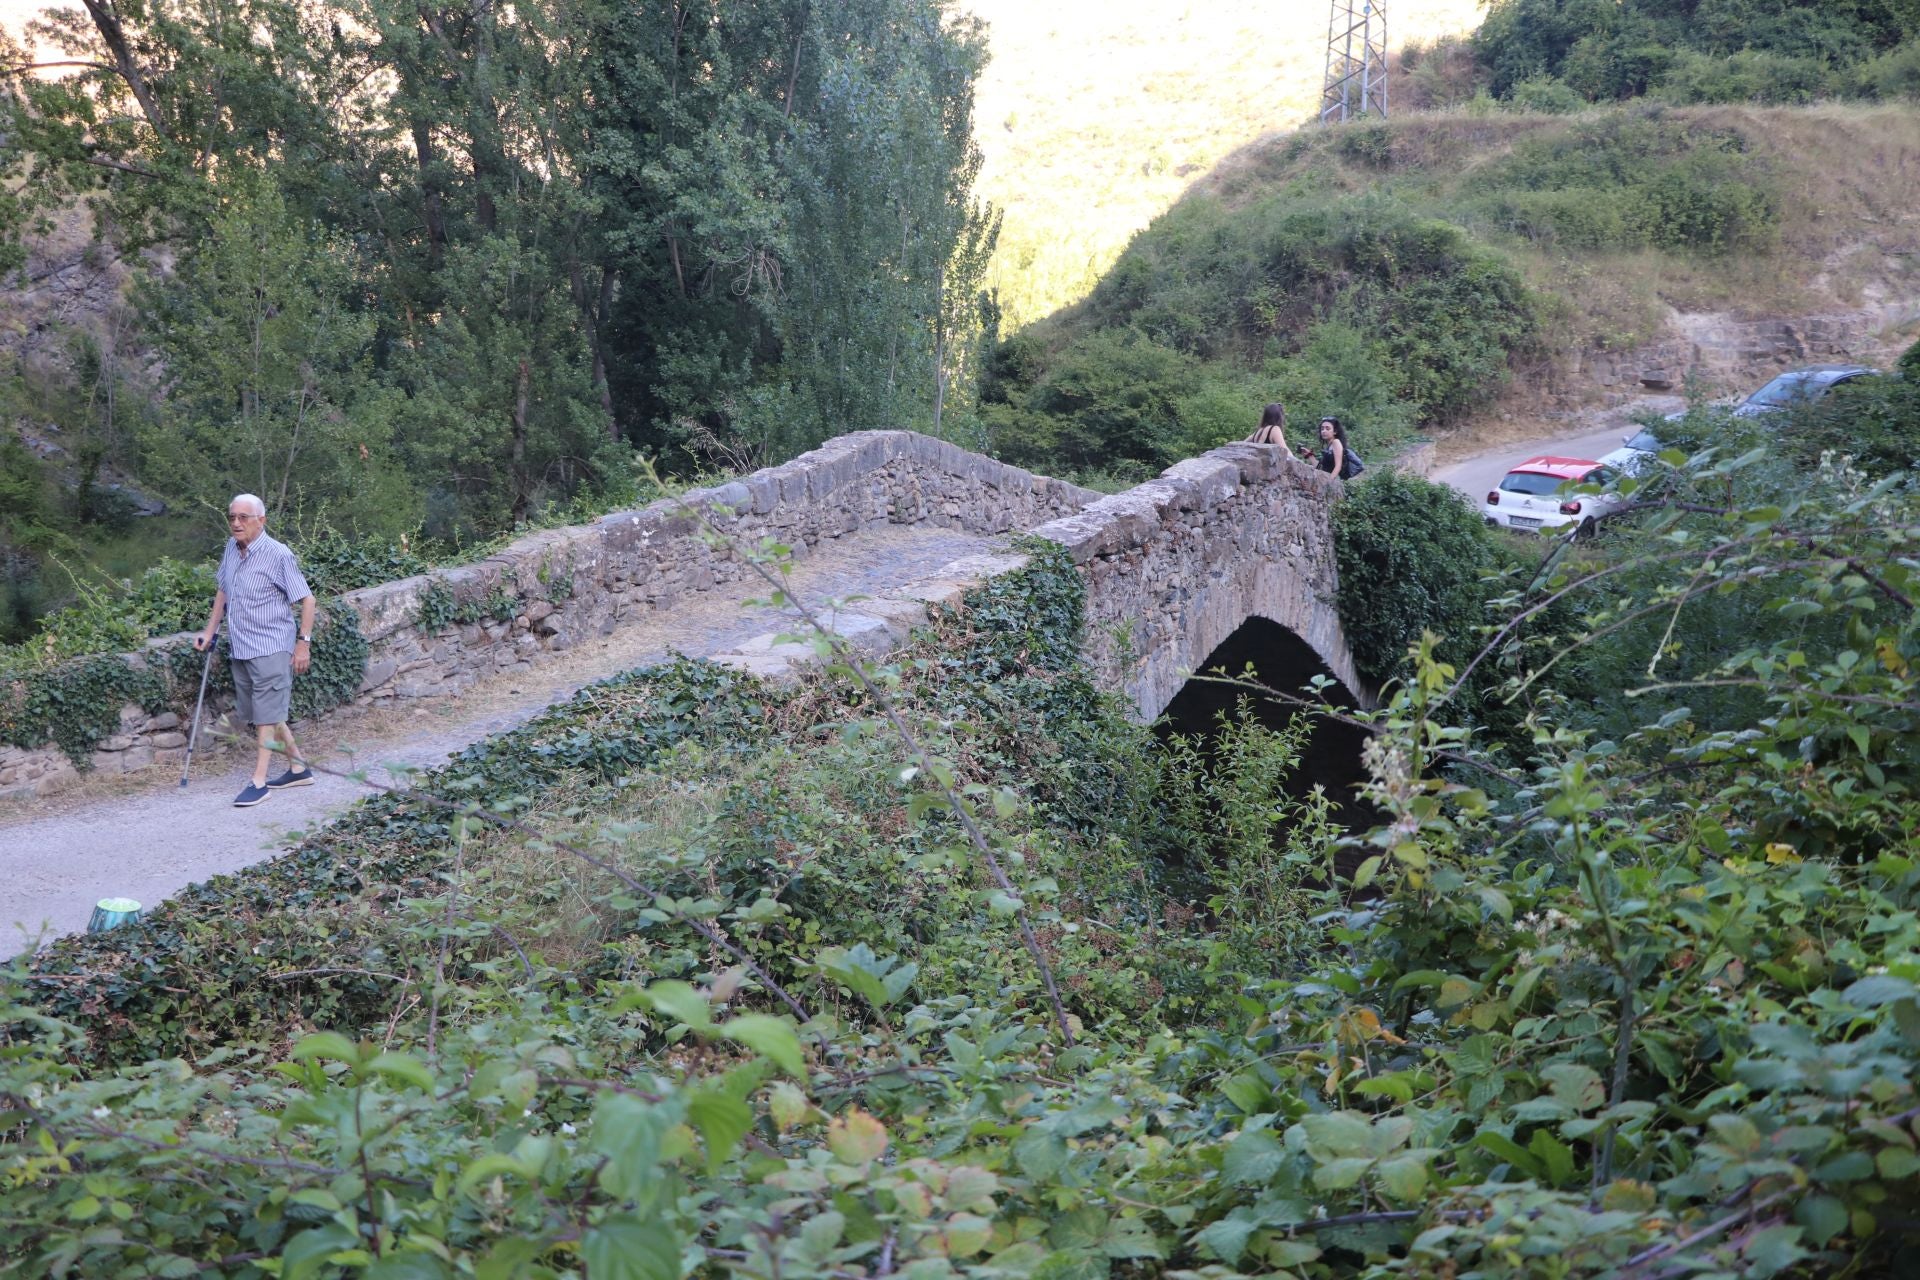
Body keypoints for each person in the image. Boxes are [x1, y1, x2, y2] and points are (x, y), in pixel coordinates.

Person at [193, 493, 317, 806]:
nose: (236, 523)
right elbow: (223, 589)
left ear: (261, 520)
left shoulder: (278, 554)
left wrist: (303, 644)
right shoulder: (230, 550)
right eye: (232, 517)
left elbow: (307, 599)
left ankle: (258, 781)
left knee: (264, 717)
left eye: (243, 517)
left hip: (272, 645)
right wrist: (210, 631)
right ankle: (299, 768)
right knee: (267, 712)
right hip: (243, 646)